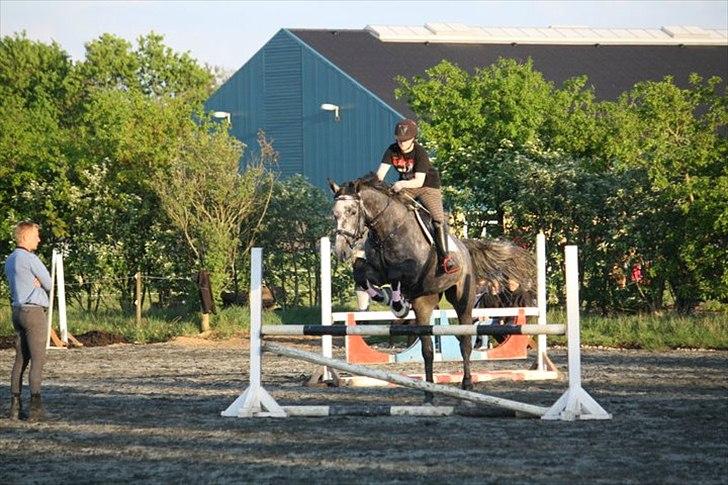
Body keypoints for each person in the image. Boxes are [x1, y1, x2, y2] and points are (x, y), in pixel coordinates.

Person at [374, 118, 460, 274]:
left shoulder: (420, 152)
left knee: (438, 219)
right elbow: (380, 175)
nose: (401, 144)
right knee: (390, 211)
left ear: (413, 139)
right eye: (399, 140)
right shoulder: (391, 150)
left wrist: (400, 185)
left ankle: (446, 258)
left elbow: (419, 181)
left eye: (405, 140)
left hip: (427, 186)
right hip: (407, 186)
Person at [5, 221, 52, 422]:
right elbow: (49, 282)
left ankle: (14, 407)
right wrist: (40, 282)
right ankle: (36, 408)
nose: (39, 239)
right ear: (25, 237)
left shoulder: (10, 259)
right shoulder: (30, 258)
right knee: (38, 359)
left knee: (20, 360)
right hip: (33, 312)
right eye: (36, 236)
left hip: (17, 310)